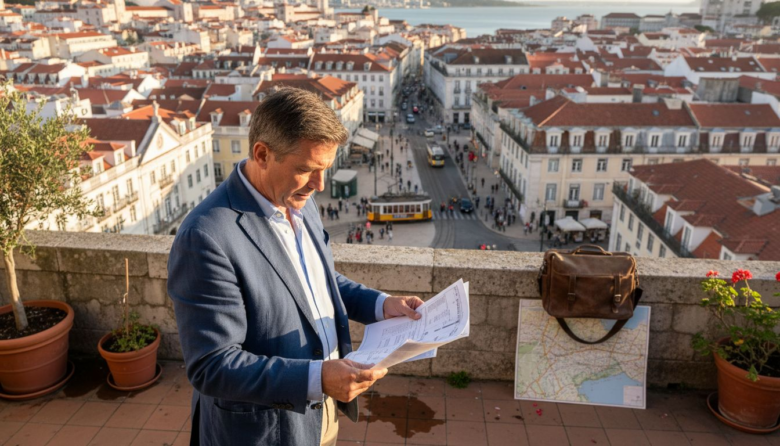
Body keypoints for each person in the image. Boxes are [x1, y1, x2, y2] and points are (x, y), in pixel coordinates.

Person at [167, 88, 424, 446]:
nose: (320, 185)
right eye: (306, 169)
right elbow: (212, 366)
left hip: (321, 411)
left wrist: (381, 305)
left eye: (324, 169)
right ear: (262, 154)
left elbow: (316, 280)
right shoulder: (205, 236)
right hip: (264, 430)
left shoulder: (298, 198)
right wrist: (317, 378)